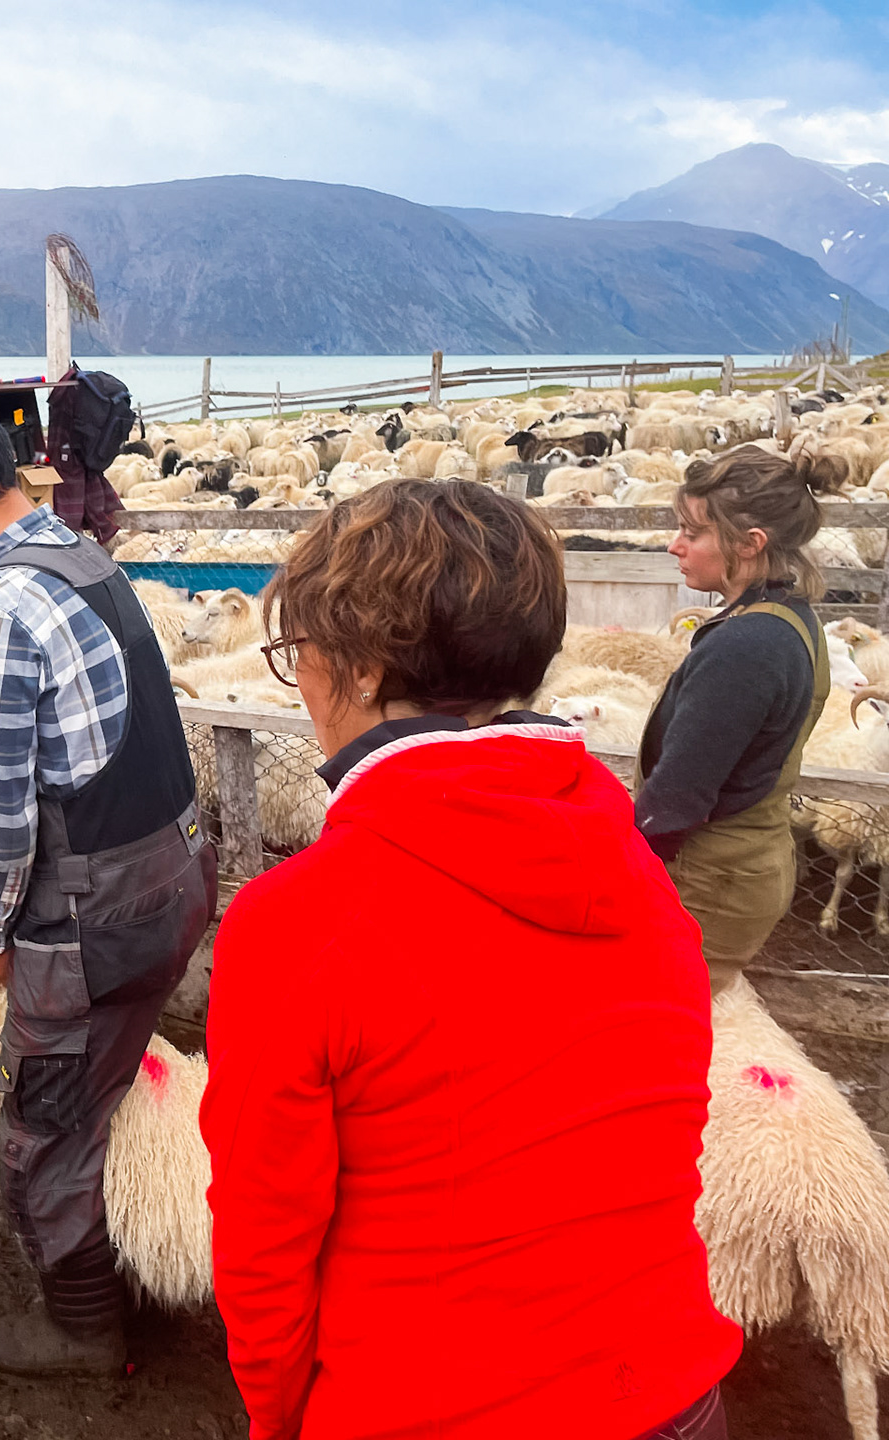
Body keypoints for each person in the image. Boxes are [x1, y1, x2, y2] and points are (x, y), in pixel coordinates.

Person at [200, 478, 741, 1440]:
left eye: (299, 655)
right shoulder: (639, 875)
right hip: (667, 1392)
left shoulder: (301, 923)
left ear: (360, 669)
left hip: (439, 1406)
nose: (304, 680)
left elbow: (265, 1249)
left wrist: (281, 1421)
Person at [0, 399, 215, 1378]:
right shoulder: (83, 562)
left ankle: (82, 1323)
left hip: (91, 913)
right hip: (171, 872)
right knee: (107, 1084)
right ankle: (137, 1251)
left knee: (39, 1120)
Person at [638, 447, 837, 993]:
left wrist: (621, 873)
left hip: (707, 882)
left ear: (751, 544)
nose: (674, 546)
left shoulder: (746, 645)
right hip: (741, 867)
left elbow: (679, 796)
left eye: (692, 533)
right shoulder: (787, 617)